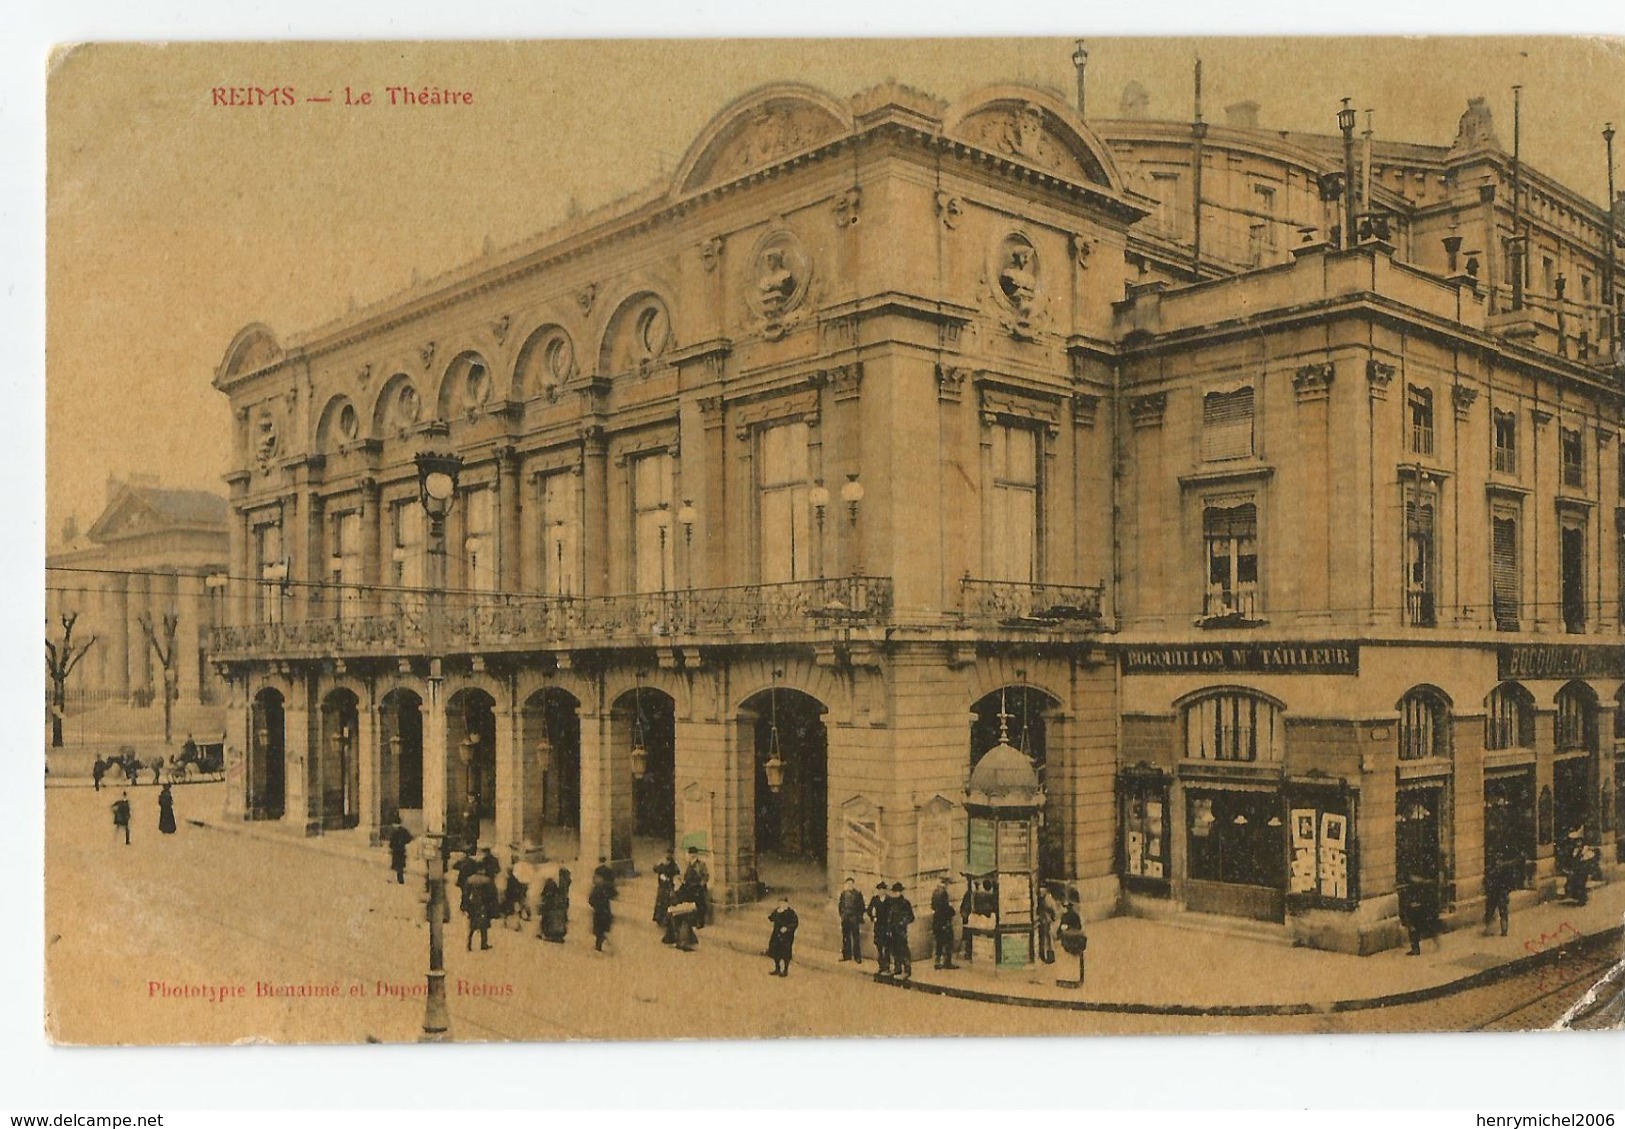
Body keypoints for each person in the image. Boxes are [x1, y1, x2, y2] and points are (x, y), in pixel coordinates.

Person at [1399, 872, 1441, 955]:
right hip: (1418, 905)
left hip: (1419, 906)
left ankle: (1416, 949)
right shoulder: (1419, 882)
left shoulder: (1419, 883)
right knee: (1418, 927)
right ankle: (1418, 948)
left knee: (1414, 927)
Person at [463, 862, 498, 952]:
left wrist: (464, 904)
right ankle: (483, 943)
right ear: (482, 870)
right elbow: (491, 894)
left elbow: (465, 893)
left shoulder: (470, 879)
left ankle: (469, 944)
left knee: (472, 925)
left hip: (473, 904)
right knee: (484, 925)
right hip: (483, 904)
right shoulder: (487, 880)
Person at [1055, 895, 1087, 988]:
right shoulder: (1077, 916)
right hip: (1077, 941)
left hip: (1067, 941)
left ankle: (1066, 979)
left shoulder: (1065, 917)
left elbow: (1060, 930)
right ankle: (1078, 979)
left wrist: (1059, 934)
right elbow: (1080, 928)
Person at [1482, 853, 1516, 937]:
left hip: (1493, 893)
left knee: (1490, 912)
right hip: (1502, 893)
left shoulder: (1489, 869)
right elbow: (1508, 880)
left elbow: (1485, 882)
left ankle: (1488, 930)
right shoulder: (1503, 868)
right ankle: (1504, 931)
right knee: (1503, 913)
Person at [930, 876, 959, 970]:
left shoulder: (935, 892)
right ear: (945, 884)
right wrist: (952, 910)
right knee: (948, 941)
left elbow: (933, 906)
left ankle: (937, 962)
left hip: (936, 921)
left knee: (938, 942)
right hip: (944, 921)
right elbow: (945, 908)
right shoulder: (944, 893)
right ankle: (947, 962)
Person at [888, 882, 915, 980]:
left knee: (903, 950)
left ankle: (907, 970)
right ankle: (897, 969)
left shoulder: (905, 903)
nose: (896, 893)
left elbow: (911, 917)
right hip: (893, 930)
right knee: (895, 951)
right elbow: (890, 916)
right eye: (895, 892)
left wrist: (903, 922)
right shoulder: (891, 903)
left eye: (898, 892)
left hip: (901, 931)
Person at [767, 895, 799, 977]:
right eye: (780, 903)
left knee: (785, 953)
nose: (782, 905)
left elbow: (795, 922)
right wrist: (774, 913)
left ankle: (785, 970)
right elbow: (771, 918)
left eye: (783, 903)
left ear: (787, 903)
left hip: (786, 937)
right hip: (776, 934)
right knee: (775, 951)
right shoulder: (777, 911)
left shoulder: (791, 913)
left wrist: (787, 928)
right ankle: (777, 968)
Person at [837, 877, 866, 964]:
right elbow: (840, 905)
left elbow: (862, 906)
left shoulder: (857, 894)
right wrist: (842, 915)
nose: (849, 886)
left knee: (856, 938)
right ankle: (847, 955)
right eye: (848, 884)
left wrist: (858, 916)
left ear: (853, 885)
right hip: (845, 918)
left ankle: (857, 957)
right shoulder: (843, 894)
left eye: (851, 884)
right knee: (846, 938)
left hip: (854, 918)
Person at [867, 882, 892, 977]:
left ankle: (887, 967)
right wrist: (873, 917)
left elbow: (891, 913)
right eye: (879, 889)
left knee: (887, 947)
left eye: (883, 889)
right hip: (878, 927)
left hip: (886, 927)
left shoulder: (889, 900)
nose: (881, 891)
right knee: (879, 947)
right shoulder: (875, 900)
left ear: (885, 891)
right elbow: (869, 910)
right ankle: (881, 966)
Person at [652, 848, 681, 927]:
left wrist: (670, 878)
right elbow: (655, 869)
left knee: (667, 903)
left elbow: (677, 872)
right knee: (660, 903)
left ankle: (666, 920)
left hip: (669, 886)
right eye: (667, 854)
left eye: (670, 854)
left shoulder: (673, 864)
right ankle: (659, 919)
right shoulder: (662, 863)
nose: (668, 855)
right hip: (662, 886)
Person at [683, 847, 711, 928]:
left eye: (691, 854)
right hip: (690, 887)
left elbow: (705, 876)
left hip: (698, 887)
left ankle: (700, 922)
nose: (689, 855)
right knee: (690, 904)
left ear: (694, 854)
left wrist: (701, 886)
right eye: (689, 853)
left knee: (700, 905)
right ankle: (693, 920)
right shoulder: (689, 864)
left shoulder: (700, 864)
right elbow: (686, 875)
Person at [537, 874, 568, 943]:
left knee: (548, 919)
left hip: (551, 909)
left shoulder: (550, 888)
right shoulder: (560, 890)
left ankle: (550, 933)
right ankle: (556, 934)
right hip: (556, 909)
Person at [589, 872, 614, 953]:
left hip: (598, 911)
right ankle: (600, 941)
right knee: (602, 928)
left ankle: (599, 943)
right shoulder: (606, 887)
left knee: (598, 929)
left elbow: (591, 900)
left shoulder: (596, 888)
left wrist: (595, 905)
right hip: (605, 911)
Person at [1036, 886, 1060, 964]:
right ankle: (1046, 955)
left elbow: (1054, 911)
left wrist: (1052, 918)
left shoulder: (1048, 899)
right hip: (1043, 921)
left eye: (1042, 891)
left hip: (1048, 921)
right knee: (1045, 939)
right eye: (1040, 892)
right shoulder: (1041, 899)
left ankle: (1050, 956)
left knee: (1049, 939)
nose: (1041, 893)